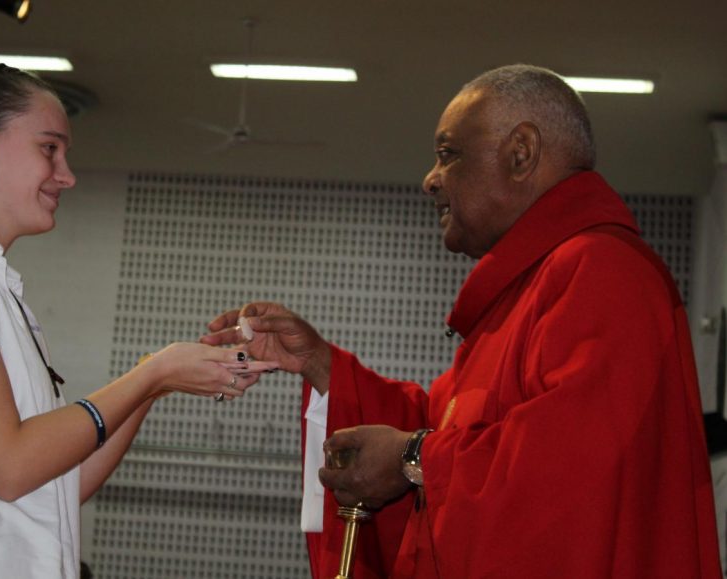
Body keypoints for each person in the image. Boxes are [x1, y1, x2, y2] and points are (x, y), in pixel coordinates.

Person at [203, 64, 721, 578]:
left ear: (521, 153)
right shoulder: (526, 290)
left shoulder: (602, 271)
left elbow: (566, 473)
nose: (430, 179)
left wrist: (413, 456)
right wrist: (320, 364)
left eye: (448, 155)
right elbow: (444, 429)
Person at [0, 61, 276, 579]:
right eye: (49, 148)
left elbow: (59, 484)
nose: (67, 175)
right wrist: (155, 372)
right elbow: (9, 468)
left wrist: (156, 382)